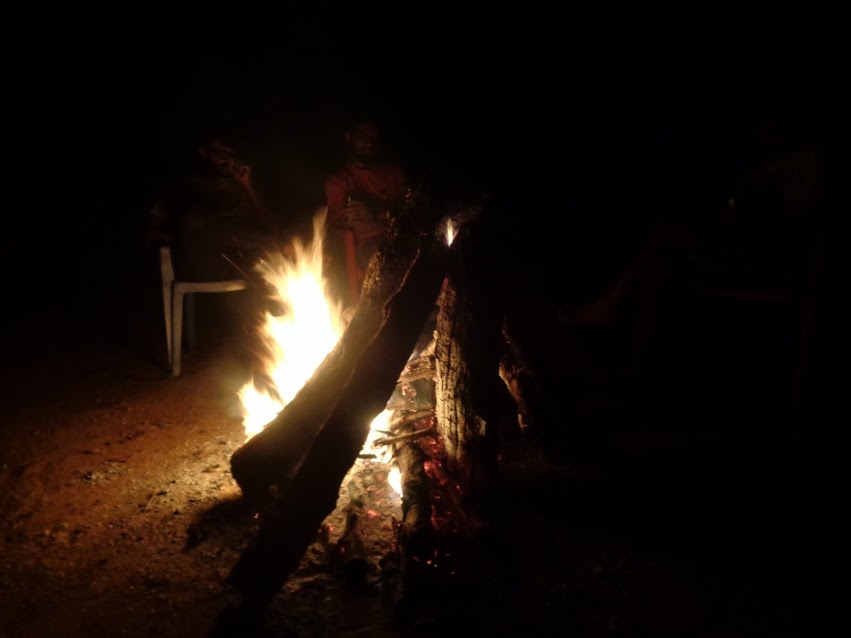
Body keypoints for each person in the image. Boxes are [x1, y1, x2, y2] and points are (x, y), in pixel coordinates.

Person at [559, 106, 828, 370]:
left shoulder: (801, 165)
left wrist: (750, 199)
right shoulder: (766, 169)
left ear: (792, 131)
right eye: (761, 128)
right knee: (660, 259)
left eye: (772, 130)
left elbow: (774, 221)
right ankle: (637, 358)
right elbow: (733, 214)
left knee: (665, 233)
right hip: (744, 252)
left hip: (763, 263)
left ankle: (610, 306)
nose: (761, 136)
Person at [323, 117, 410, 297]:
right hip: (369, 246)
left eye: (373, 136)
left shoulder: (393, 172)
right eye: (362, 135)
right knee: (385, 259)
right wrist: (385, 216)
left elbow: (411, 205)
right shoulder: (339, 181)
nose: (369, 141)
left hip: (404, 235)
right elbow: (344, 220)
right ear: (349, 138)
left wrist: (377, 211)